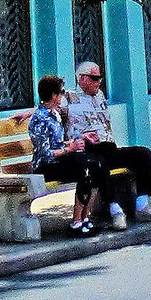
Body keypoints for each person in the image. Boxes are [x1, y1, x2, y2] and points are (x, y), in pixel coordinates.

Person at [63, 62, 151, 220]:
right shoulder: (69, 97)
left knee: (143, 154)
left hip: (108, 147)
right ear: (81, 78)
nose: (98, 81)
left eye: (99, 78)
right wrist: (28, 113)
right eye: (94, 78)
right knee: (99, 164)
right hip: (87, 149)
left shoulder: (99, 95)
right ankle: (115, 209)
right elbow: (49, 107)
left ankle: (142, 204)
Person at [28, 76, 102, 235]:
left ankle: (84, 217)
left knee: (95, 165)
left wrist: (78, 141)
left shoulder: (54, 113)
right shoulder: (40, 118)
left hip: (59, 160)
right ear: (53, 95)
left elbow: (59, 143)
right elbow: (46, 153)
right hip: (46, 166)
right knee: (84, 168)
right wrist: (70, 149)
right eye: (60, 92)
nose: (62, 96)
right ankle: (76, 221)